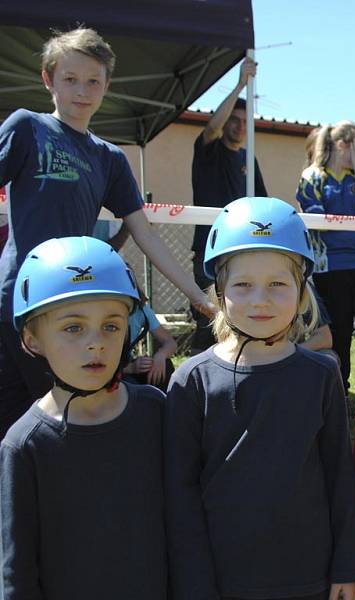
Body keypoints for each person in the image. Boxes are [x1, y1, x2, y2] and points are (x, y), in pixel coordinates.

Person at [0, 27, 214, 439]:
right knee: (15, 419)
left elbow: (146, 235)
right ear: (49, 80)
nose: (82, 91)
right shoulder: (27, 128)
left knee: (65, 417)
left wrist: (197, 295)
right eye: (70, 79)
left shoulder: (109, 158)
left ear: (107, 85)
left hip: (69, 303)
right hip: (15, 296)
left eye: (93, 81)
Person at [164, 197, 355, 600]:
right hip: (222, 582)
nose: (260, 300)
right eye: (243, 285)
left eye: (277, 284)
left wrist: (346, 566)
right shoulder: (191, 382)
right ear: (219, 292)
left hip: (310, 580)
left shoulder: (321, 375)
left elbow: (340, 476)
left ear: (302, 292)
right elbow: (179, 497)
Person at [1, 236, 167, 599]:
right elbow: (17, 574)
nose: (96, 343)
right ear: (31, 339)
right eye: (73, 327)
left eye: (111, 325)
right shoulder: (23, 445)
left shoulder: (157, 413)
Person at [296, 120, 355, 391]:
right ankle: (341, 390)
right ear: (342, 144)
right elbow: (318, 220)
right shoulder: (313, 175)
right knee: (339, 335)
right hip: (330, 268)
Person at [189, 57, 268, 355]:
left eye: (244, 122)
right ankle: (195, 383)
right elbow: (211, 129)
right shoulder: (209, 151)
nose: (238, 127)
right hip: (210, 250)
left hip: (242, 250)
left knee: (240, 321)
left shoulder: (249, 160)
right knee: (208, 320)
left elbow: (262, 204)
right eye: (233, 120)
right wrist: (239, 85)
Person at [123, 275, 178, 393]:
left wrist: (160, 356)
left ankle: (168, 407)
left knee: (165, 368)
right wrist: (130, 368)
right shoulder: (103, 310)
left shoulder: (140, 309)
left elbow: (170, 343)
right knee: (130, 386)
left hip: (129, 365)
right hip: (113, 372)